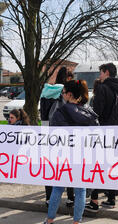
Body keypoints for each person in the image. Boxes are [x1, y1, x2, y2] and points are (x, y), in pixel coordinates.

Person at [44, 79, 99, 224]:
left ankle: (49, 221)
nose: (62, 95)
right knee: (80, 190)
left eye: (63, 92)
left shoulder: (60, 112)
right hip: (82, 157)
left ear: (69, 94)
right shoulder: (89, 113)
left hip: (63, 157)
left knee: (57, 188)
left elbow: (53, 136)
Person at [85, 62, 118, 212]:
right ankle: (111, 199)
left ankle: (94, 201)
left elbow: (97, 112)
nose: (99, 75)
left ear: (106, 72)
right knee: (113, 166)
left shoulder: (102, 88)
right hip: (117, 131)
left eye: (100, 72)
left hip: (103, 131)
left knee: (98, 166)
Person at [40, 66, 75, 208]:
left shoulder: (45, 91)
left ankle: (49, 197)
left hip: (46, 132)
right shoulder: (66, 92)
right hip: (63, 132)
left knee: (49, 166)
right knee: (68, 164)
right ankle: (70, 197)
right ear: (67, 78)